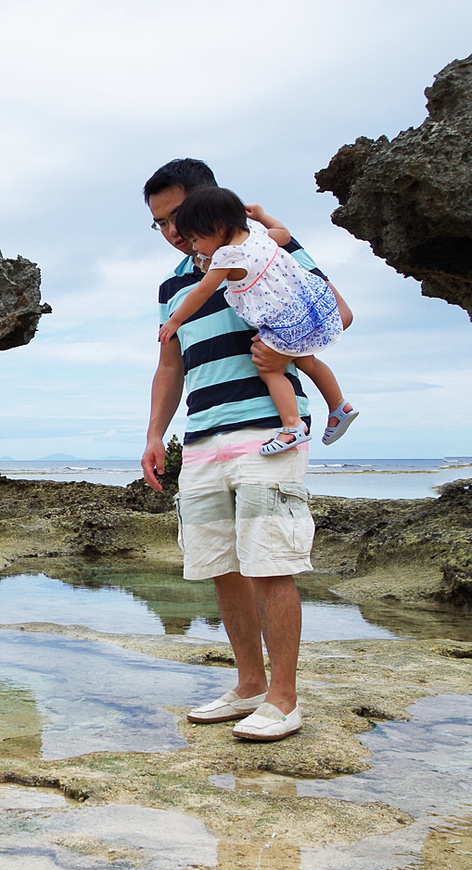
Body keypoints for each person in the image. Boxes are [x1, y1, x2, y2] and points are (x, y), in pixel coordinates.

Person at [140, 158, 333, 742]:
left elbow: (330, 311)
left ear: (210, 202)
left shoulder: (269, 253)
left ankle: (284, 698)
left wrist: (285, 359)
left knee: (270, 562)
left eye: (177, 217)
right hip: (202, 436)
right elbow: (171, 362)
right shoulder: (174, 284)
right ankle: (249, 684)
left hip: (266, 430)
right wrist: (155, 434)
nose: (172, 232)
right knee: (221, 565)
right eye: (159, 224)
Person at [158, 186, 358, 455]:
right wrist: (263, 216)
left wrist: (175, 320)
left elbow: (203, 290)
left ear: (217, 227)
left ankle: (292, 426)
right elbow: (284, 233)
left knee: (269, 369)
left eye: (195, 238)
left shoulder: (227, 255)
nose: (194, 246)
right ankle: (339, 404)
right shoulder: (259, 236)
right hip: (301, 310)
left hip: (279, 322)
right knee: (307, 359)